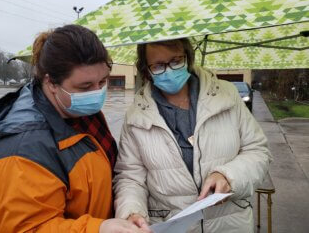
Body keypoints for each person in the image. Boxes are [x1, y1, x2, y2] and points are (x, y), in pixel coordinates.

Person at [0, 24, 149, 233]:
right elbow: (26, 229)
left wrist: (125, 212)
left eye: (103, 81)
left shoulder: (79, 112)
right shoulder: (22, 150)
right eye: (85, 86)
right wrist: (99, 229)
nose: (97, 93)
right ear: (51, 82)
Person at [113, 38, 272, 232]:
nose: (169, 70)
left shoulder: (227, 95)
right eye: (158, 65)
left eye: (176, 61)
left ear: (188, 58)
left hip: (231, 223)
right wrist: (132, 212)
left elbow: (257, 151)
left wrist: (228, 176)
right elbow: (130, 177)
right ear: (146, 69)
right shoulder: (136, 116)